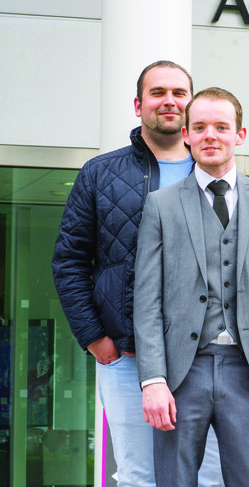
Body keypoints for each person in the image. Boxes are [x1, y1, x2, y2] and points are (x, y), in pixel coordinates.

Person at [51, 60, 223, 487]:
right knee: (139, 476)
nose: (169, 101)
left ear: (191, 103)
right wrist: (94, 337)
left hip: (206, 354)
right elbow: (69, 260)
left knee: (211, 478)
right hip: (126, 354)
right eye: (158, 92)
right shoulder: (100, 173)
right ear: (138, 104)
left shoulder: (216, 172)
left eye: (179, 93)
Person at [133, 87, 249, 486]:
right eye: (201, 127)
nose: (211, 135)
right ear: (187, 135)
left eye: (221, 127)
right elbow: (147, 300)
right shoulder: (161, 204)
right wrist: (153, 380)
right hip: (180, 372)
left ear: (239, 135)